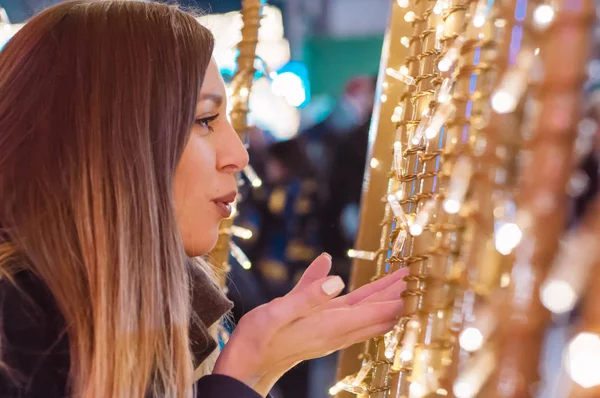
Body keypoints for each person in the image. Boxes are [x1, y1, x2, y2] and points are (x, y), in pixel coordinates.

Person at [0, 1, 408, 397]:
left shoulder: (140, 303)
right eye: (204, 120)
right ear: (106, 143)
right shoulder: (17, 329)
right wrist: (242, 370)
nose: (239, 155)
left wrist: (256, 369)